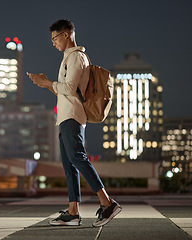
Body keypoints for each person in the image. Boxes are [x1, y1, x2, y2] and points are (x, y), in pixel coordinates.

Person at [27, 19, 122, 227]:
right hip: (65, 117)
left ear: (66, 35)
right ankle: (73, 212)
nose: (53, 43)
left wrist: (47, 83)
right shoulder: (67, 58)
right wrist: (46, 85)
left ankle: (108, 203)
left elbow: (69, 90)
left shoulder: (77, 57)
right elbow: (67, 90)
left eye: (55, 38)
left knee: (78, 158)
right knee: (69, 165)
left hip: (72, 117)